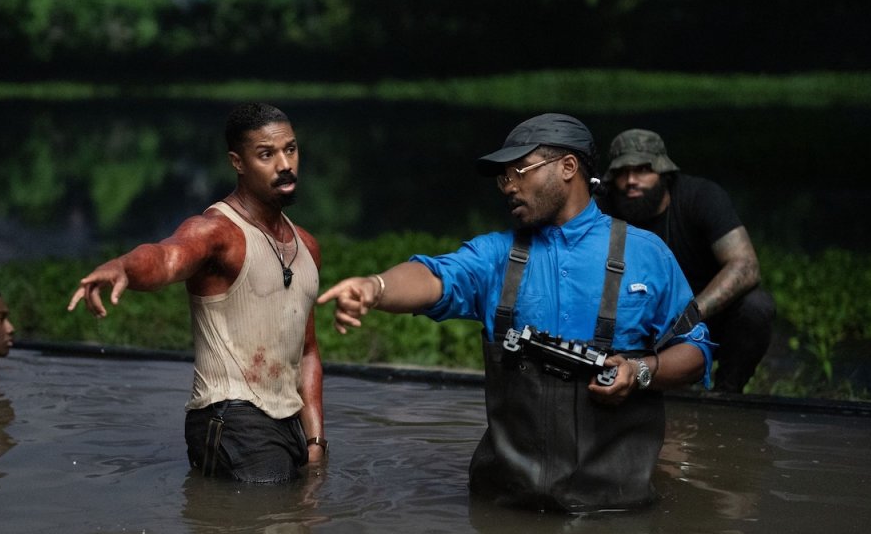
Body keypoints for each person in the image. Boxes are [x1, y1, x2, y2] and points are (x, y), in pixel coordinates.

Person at [318, 113, 713, 513]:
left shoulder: (646, 255)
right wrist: (376, 287)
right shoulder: (496, 256)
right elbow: (435, 277)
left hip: (617, 511)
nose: (508, 186)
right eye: (502, 177)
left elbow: (696, 352)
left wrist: (641, 371)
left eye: (519, 171)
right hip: (504, 507)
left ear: (568, 167)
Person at [67, 102, 326, 483]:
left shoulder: (307, 246)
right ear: (238, 162)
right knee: (269, 514)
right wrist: (124, 266)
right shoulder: (217, 231)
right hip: (231, 417)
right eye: (266, 154)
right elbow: (167, 257)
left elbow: (307, 352)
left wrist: (315, 440)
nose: (284, 164)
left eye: (290, 149)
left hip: (290, 425)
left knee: (298, 516)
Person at [601, 129, 775, 393]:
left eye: (643, 170)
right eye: (622, 172)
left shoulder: (700, 197)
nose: (631, 181)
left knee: (756, 307)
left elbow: (745, 265)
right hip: (636, 321)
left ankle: (726, 394)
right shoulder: (604, 206)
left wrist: (690, 315)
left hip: (703, 315)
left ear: (663, 171)